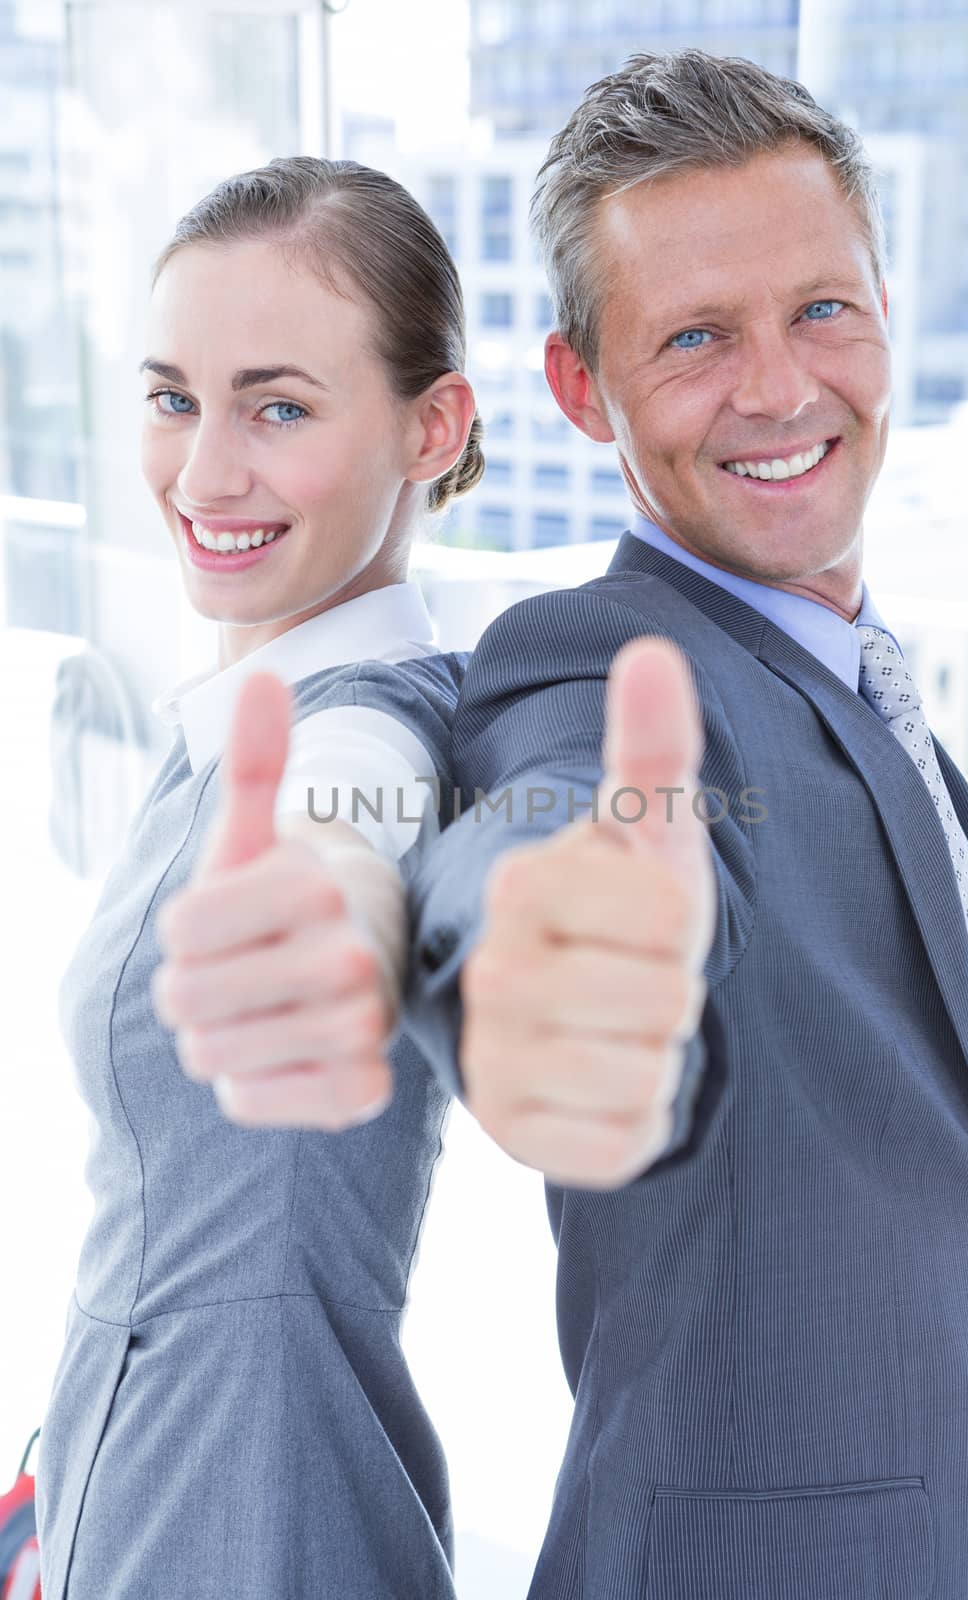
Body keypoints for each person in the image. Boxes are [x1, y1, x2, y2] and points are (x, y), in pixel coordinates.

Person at [399, 51, 968, 1600]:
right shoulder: (599, 663)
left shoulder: (858, 671)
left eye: (821, 309)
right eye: (696, 337)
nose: (777, 389)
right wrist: (547, 960)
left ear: (886, 308)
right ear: (583, 391)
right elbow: (552, 822)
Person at [34, 154, 481, 1600]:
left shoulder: (363, 720)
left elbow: (350, 820)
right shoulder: (225, 712)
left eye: (278, 407)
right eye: (176, 398)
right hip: (137, 1486)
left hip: (254, 1532)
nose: (205, 470)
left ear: (434, 427)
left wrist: (329, 896)